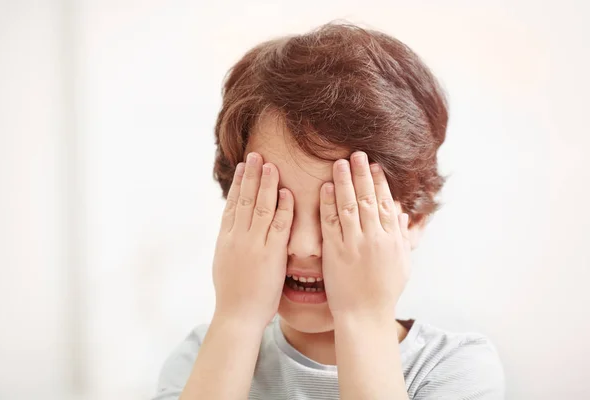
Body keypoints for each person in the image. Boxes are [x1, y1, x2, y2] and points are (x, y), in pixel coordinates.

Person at [152, 23, 505, 400]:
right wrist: (236, 319)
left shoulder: (454, 369)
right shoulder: (202, 359)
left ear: (414, 218)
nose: (304, 246)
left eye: (340, 212)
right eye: (275, 207)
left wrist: (363, 319)